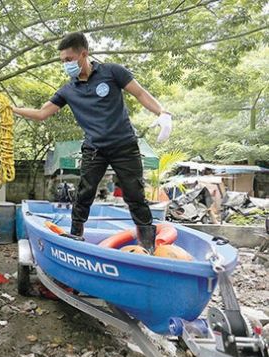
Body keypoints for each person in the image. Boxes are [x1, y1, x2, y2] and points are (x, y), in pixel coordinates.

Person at [12, 32, 172, 252]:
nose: (65, 65)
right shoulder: (68, 90)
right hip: (94, 148)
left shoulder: (112, 72)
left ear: (83, 54)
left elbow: (140, 94)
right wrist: (10, 109)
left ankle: (147, 245)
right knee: (84, 194)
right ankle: (76, 235)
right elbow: (41, 113)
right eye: (62, 61)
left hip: (124, 145)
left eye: (68, 60)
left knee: (135, 194)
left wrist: (162, 113)